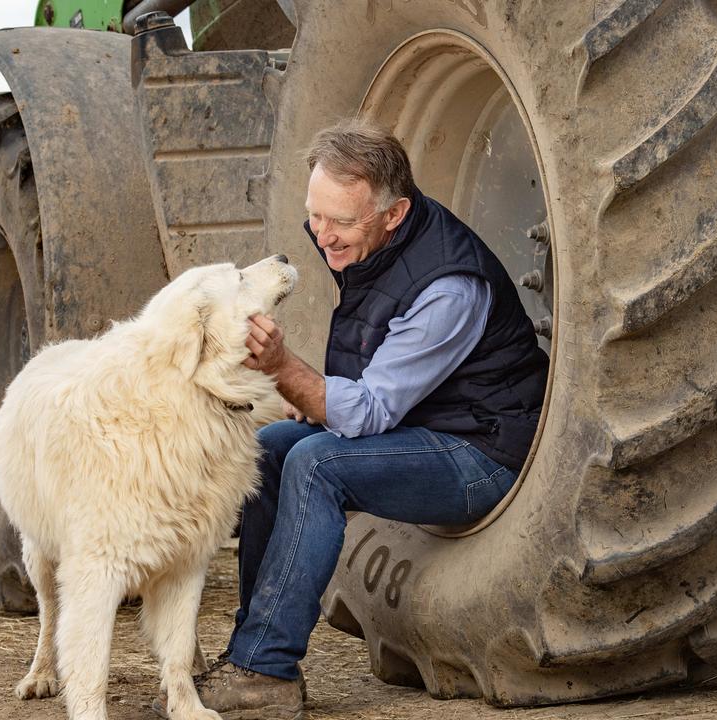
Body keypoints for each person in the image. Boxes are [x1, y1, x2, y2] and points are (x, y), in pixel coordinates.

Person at [180, 119, 549, 718]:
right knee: (269, 446)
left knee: (317, 463)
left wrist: (283, 368)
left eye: (340, 222)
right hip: (430, 424)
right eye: (315, 216)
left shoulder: (447, 286)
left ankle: (264, 671)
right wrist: (307, 391)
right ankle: (249, 652)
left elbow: (372, 409)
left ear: (395, 214)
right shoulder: (368, 239)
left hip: (485, 451)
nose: (322, 237)